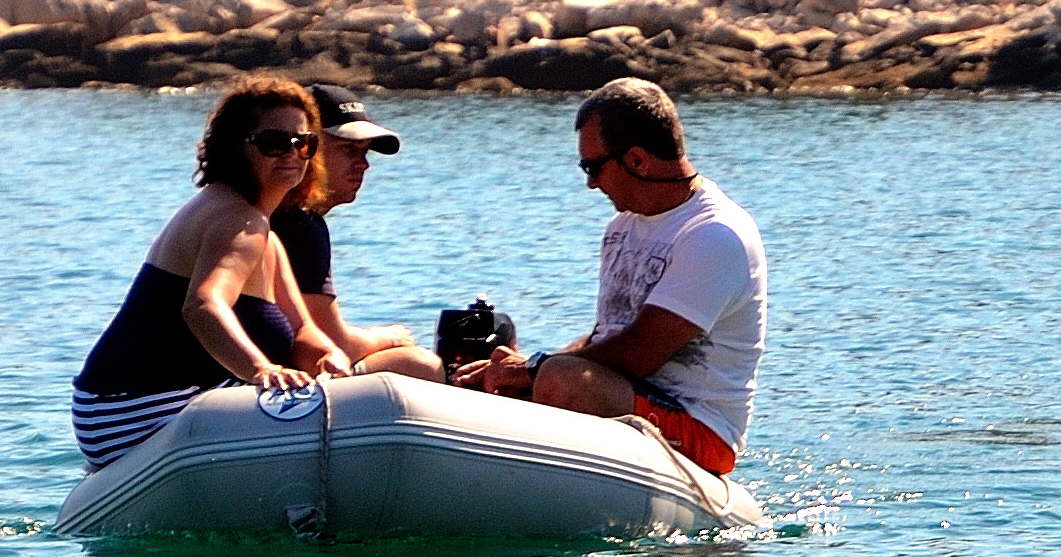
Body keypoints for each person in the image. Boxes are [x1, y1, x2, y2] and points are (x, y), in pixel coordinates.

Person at [454, 78, 766, 476]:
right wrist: (511, 371)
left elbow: (637, 353)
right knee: (489, 372)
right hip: (624, 393)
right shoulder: (621, 227)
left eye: (593, 167)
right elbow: (607, 336)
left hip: (699, 429)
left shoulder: (716, 234)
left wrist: (534, 368)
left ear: (637, 160)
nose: (590, 183)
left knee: (561, 380)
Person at [71, 76, 352, 469]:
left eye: (304, 143)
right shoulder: (237, 220)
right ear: (237, 147)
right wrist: (261, 370)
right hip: (130, 411)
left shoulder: (262, 231)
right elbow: (203, 305)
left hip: (119, 407)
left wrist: (329, 355)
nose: (293, 154)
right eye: (274, 142)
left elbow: (302, 330)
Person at [271, 84, 445, 382]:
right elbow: (331, 345)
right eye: (348, 149)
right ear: (307, 147)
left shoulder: (272, 209)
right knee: (418, 365)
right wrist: (388, 336)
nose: (363, 164)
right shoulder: (300, 225)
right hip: (262, 388)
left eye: (365, 152)